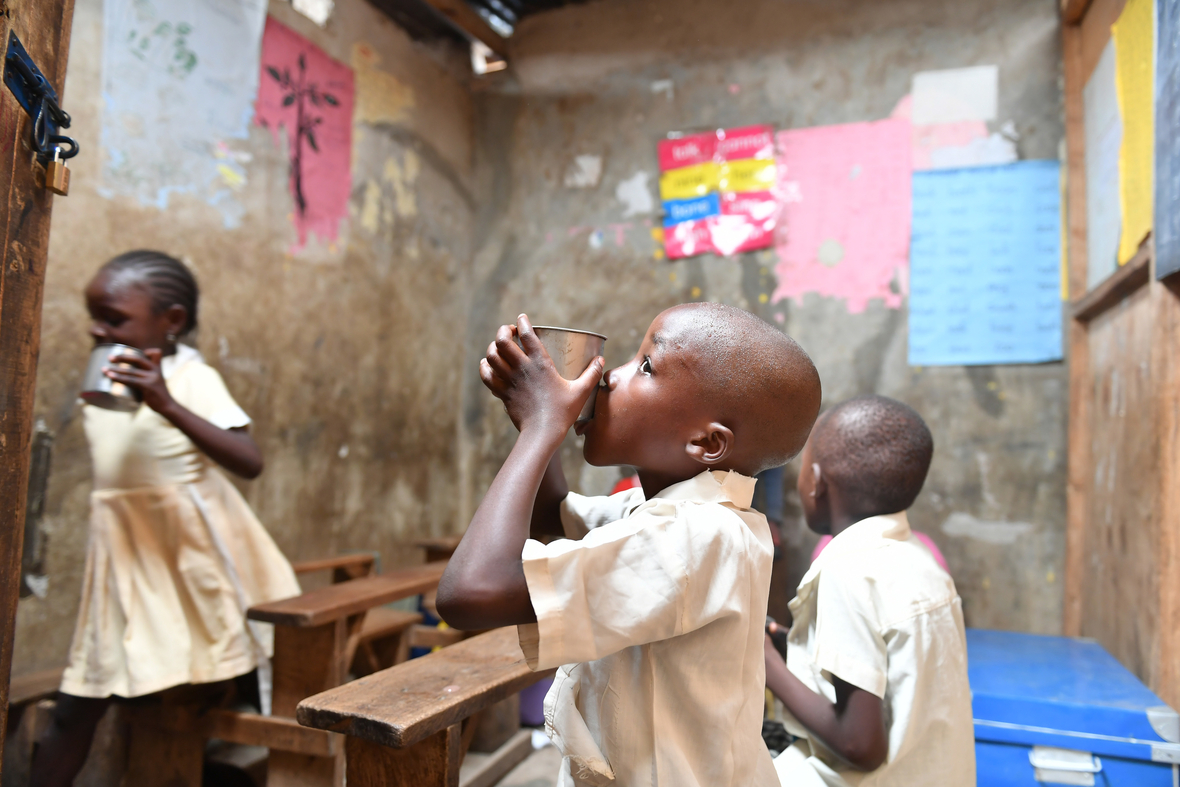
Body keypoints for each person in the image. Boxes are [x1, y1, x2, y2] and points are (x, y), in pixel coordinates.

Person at [437, 304, 822, 787]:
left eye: (645, 367)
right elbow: (550, 511)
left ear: (707, 442)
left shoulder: (696, 537)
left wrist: (542, 428)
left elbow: (470, 593)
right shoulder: (673, 514)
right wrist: (538, 417)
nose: (610, 378)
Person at [31, 251, 300, 787]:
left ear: (171, 321)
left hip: (192, 559)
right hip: (125, 559)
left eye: (113, 318)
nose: (97, 327)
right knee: (80, 700)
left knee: (234, 684)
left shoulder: (189, 377)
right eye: (95, 314)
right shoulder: (108, 374)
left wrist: (166, 402)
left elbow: (250, 461)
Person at [764, 395, 974, 787]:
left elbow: (860, 745)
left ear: (818, 482)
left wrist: (768, 666)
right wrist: (787, 649)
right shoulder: (921, 562)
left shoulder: (847, 571)